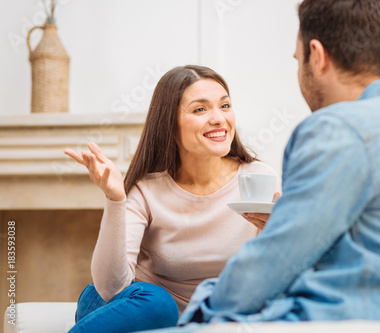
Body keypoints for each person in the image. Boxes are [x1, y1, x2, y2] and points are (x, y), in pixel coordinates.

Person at [177, 0, 380, 324]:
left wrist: (203, 304)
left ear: (317, 56)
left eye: (298, 60)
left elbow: (268, 270)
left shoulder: (332, 128)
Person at [64, 65, 278, 333]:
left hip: (208, 317)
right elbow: (109, 288)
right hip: (136, 305)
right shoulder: (147, 189)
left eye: (224, 106)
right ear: (170, 125)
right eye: (200, 109)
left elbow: (277, 279)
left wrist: (277, 234)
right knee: (159, 305)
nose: (219, 119)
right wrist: (115, 199)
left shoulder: (259, 179)